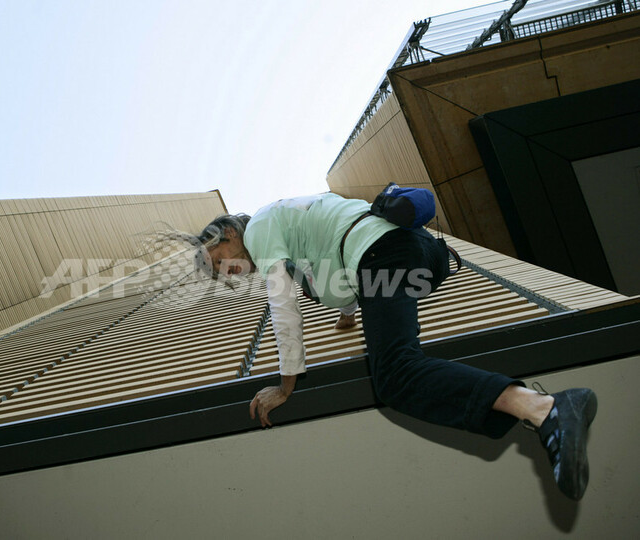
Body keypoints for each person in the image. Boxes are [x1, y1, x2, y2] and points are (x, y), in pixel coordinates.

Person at [189, 192, 597, 501]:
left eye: (218, 259)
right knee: (395, 374)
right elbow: (337, 265)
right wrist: (347, 313)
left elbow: (281, 304)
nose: (227, 271)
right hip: (418, 254)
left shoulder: (260, 226)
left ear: (227, 232)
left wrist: (285, 386)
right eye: (217, 274)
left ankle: (547, 408)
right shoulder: (295, 223)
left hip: (383, 252)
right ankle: (542, 412)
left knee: (396, 374)